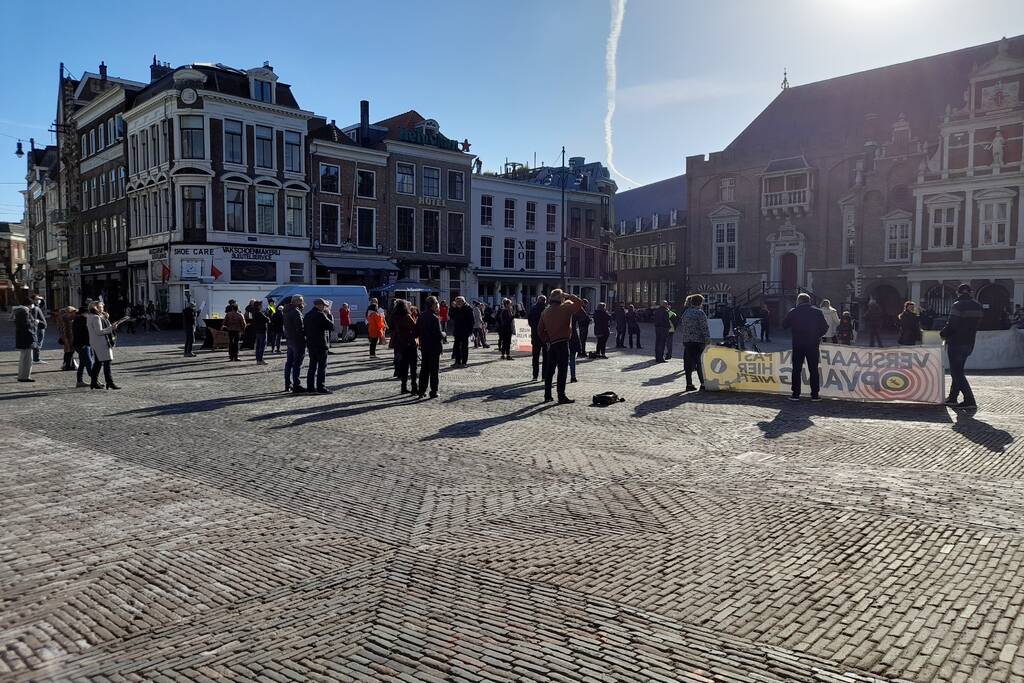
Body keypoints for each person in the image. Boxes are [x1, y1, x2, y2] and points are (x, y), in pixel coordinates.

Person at [940, 283, 983, 409]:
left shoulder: (957, 305)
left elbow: (952, 324)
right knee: (958, 370)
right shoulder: (978, 306)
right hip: (969, 342)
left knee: (956, 372)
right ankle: (953, 398)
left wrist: (943, 333)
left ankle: (970, 400)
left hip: (956, 342)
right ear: (970, 293)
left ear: (958, 293)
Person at [538, 288, 584, 404]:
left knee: (550, 370)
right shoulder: (566, 308)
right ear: (561, 297)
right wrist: (569, 296)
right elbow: (580, 303)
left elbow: (540, 330)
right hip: (563, 342)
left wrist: (546, 340)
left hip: (552, 343)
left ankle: (547, 395)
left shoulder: (545, 312)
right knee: (562, 370)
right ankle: (561, 395)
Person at [782, 293, 829, 401]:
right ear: (809, 301)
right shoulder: (817, 312)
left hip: (798, 344)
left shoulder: (794, 312)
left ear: (799, 301)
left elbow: (784, 325)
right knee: (813, 369)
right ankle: (815, 395)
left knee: (796, 369)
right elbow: (825, 327)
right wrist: (817, 335)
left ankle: (795, 394)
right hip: (812, 344)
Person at [87, 301, 125, 390]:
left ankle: (94, 382)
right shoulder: (96, 317)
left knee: (98, 363)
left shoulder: (92, 316)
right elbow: (99, 331)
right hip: (101, 342)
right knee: (107, 362)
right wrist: (111, 328)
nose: (103, 306)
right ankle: (109, 382)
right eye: (101, 305)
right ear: (95, 307)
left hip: (96, 342)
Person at [680, 294, 711, 391]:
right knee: (700, 363)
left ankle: (689, 384)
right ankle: (703, 384)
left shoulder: (686, 312)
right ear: (700, 303)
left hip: (687, 341)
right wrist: (708, 341)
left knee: (688, 364)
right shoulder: (700, 313)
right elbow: (704, 328)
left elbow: (683, 326)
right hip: (698, 341)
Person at [303, 298, 334, 394]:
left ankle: (310, 387)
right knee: (322, 367)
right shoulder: (321, 315)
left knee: (312, 366)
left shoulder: (307, 315)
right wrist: (329, 314)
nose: (324, 307)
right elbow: (331, 326)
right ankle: (321, 387)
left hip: (311, 344)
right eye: (324, 305)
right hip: (321, 344)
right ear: (319, 305)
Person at [416, 295, 444, 399]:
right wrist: (443, 334)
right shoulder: (434, 318)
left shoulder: (421, 316)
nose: (438, 305)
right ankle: (433, 391)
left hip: (424, 346)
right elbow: (438, 334)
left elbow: (417, 331)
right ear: (433, 305)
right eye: (437, 303)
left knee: (424, 369)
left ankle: (421, 391)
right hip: (434, 347)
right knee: (434, 370)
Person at [390, 299, 419, 395]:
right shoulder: (407, 316)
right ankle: (414, 387)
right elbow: (415, 327)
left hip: (400, 343)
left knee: (404, 366)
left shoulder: (395, 316)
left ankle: (403, 387)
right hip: (409, 343)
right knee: (413, 367)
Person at [283, 295, 307, 392]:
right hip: (298, 340)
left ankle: (287, 383)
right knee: (297, 363)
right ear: (297, 301)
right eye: (301, 301)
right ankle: (296, 385)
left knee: (289, 363)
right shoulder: (296, 312)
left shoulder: (286, 311)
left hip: (290, 339)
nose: (302, 303)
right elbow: (300, 328)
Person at [12, 291, 37, 382]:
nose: (32, 307)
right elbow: (26, 325)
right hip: (26, 338)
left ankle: (22, 376)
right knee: (27, 359)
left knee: (23, 358)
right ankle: (24, 377)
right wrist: (34, 323)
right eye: (32, 305)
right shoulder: (24, 311)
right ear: (29, 304)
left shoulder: (19, 311)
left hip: (22, 338)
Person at [72, 303, 94, 387]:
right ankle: (94, 380)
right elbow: (83, 334)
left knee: (82, 363)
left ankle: (79, 381)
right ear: (84, 313)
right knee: (89, 362)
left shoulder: (79, 320)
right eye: (88, 313)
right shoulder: (81, 321)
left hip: (83, 344)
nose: (89, 315)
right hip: (83, 344)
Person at [450, 296, 474, 367]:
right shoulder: (456, 308)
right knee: (456, 347)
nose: (458, 303)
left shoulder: (468, 308)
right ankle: (457, 361)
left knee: (464, 347)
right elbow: (451, 316)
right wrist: (452, 308)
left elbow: (471, 321)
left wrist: (470, 331)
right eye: (457, 302)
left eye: (459, 302)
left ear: (463, 302)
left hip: (465, 331)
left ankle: (464, 362)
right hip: (457, 330)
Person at [527, 295, 547, 380]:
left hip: (535, 335)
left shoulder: (533, 309)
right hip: (545, 336)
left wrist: (534, 329)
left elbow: (530, 322)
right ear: (544, 301)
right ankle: (544, 376)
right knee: (546, 357)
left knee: (535, 357)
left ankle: (535, 376)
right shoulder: (547, 310)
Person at [249, 300, 270, 364]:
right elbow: (267, 319)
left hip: (257, 330)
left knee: (258, 346)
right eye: (260, 305)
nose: (261, 306)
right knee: (262, 346)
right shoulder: (259, 313)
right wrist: (267, 315)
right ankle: (260, 360)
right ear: (258, 306)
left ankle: (258, 359)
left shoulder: (254, 312)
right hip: (262, 330)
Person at [57, 306, 77, 370]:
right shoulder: (67, 318)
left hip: (66, 336)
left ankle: (68, 365)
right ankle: (68, 365)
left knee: (68, 351)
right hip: (68, 336)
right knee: (69, 351)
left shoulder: (63, 317)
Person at [32, 295, 47, 363]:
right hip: (39, 328)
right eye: (37, 299)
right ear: (33, 300)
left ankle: (36, 358)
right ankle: (36, 359)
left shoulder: (37, 306)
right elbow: (34, 319)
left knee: (39, 343)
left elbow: (43, 304)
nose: (39, 300)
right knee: (38, 343)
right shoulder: (34, 307)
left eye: (39, 299)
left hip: (41, 327)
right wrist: (40, 322)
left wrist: (42, 298)